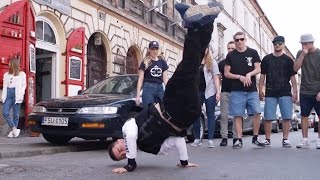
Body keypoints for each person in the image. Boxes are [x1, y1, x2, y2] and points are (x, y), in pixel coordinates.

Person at [108, 1, 224, 173]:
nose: (124, 152)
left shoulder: (129, 127)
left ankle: (206, 23)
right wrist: (184, 161)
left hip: (170, 104)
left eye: (120, 150)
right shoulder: (149, 147)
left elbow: (131, 136)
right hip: (184, 114)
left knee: (191, 65)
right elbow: (176, 141)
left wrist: (130, 164)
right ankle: (195, 26)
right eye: (123, 155)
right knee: (189, 67)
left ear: (118, 141)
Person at [224, 32, 265, 148]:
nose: (239, 42)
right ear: (234, 41)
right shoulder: (231, 55)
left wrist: (249, 74)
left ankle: (255, 137)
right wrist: (239, 77)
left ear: (245, 39)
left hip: (251, 90)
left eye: (241, 39)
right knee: (238, 114)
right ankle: (239, 139)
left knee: (257, 112)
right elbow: (226, 73)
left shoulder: (252, 52)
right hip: (237, 90)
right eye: (237, 40)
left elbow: (258, 68)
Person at [258, 36, 298, 148]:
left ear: (284, 44)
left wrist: (295, 92)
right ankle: (267, 139)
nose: (277, 45)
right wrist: (260, 89)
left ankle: (285, 139)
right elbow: (262, 76)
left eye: (280, 43)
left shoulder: (288, 60)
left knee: (286, 116)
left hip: (285, 91)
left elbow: (293, 78)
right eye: (275, 43)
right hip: (270, 91)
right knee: (268, 117)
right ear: (273, 44)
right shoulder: (266, 59)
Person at [294, 34, 320, 149]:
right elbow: (295, 69)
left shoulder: (319, 54)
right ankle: (305, 140)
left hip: (317, 90)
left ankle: (319, 140)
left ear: (311, 43)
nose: (303, 46)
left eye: (305, 44)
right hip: (305, 90)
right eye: (302, 44)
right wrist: (303, 55)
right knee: (304, 115)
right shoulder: (300, 53)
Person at [191, 48, 220, 148]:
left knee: (210, 114)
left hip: (209, 91)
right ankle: (197, 139)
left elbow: (216, 77)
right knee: (196, 114)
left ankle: (210, 139)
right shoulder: (195, 60)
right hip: (197, 91)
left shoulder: (212, 62)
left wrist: (218, 92)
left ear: (208, 49)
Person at [135, 41, 169, 107]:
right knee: (148, 110)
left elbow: (165, 79)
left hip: (160, 88)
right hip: (148, 88)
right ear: (149, 50)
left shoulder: (162, 62)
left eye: (156, 49)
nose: (155, 51)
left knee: (162, 110)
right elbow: (140, 79)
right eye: (153, 49)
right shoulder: (145, 62)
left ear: (158, 50)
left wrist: (169, 91)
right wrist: (138, 95)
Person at [2, 58, 26, 138]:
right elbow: (5, 86)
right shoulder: (6, 75)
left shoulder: (22, 74)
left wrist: (21, 94)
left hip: (17, 94)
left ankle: (13, 133)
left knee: (16, 114)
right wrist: (3, 97)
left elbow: (24, 85)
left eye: (9, 63)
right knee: (5, 112)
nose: (8, 65)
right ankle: (14, 128)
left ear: (13, 64)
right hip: (8, 93)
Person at [218, 41, 235, 146]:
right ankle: (224, 137)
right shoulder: (222, 63)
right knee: (224, 115)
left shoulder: (238, 61)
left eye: (232, 48)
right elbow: (219, 77)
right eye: (229, 48)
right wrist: (219, 90)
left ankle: (236, 136)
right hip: (225, 91)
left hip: (237, 92)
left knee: (236, 115)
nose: (230, 50)